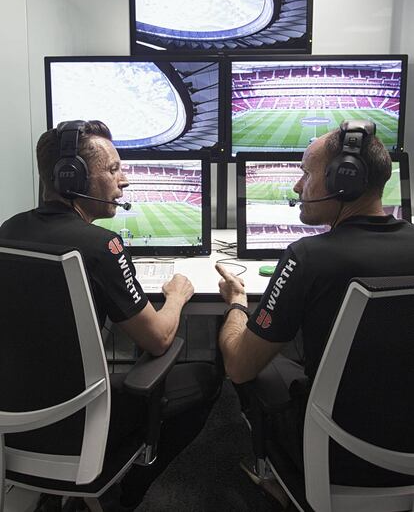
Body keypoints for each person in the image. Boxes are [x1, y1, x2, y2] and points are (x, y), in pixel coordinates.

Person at [0, 120, 221, 510]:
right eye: (114, 169)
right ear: (73, 178)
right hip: (79, 426)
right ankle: (125, 491)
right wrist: (177, 296)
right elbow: (158, 339)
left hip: (13, 424)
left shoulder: (8, 229)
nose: (126, 180)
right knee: (206, 378)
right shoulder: (102, 246)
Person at [216, 120, 414, 489]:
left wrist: (238, 305)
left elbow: (240, 367)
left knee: (255, 366)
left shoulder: (308, 257)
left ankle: (279, 477)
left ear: (344, 180)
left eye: (306, 173)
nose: (296, 185)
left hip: (339, 456)